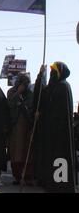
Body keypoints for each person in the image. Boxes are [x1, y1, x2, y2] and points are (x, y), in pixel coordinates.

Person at [33, 62, 76, 193]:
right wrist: (40, 76)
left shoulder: (63, 87)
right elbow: (40, 95)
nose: (52, 74)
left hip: (60, 132)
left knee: (60, 158)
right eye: (51, 72)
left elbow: (59, 111)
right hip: (50, 131)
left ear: (60, 73)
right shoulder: (53, 87)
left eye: (54, 71)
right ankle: (50, 183)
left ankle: (61, 184)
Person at [7, 73, 34, 185]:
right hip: (15, 126)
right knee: (16, 153)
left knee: (27, 151)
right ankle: (16, 176)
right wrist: (18, 93)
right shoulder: (11, 92)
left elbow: (31, 107)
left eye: (26, 83)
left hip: (27, 126)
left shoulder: (30, 94)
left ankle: (27, 177)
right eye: (22, 82)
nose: (24, 85)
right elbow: (9, 105)